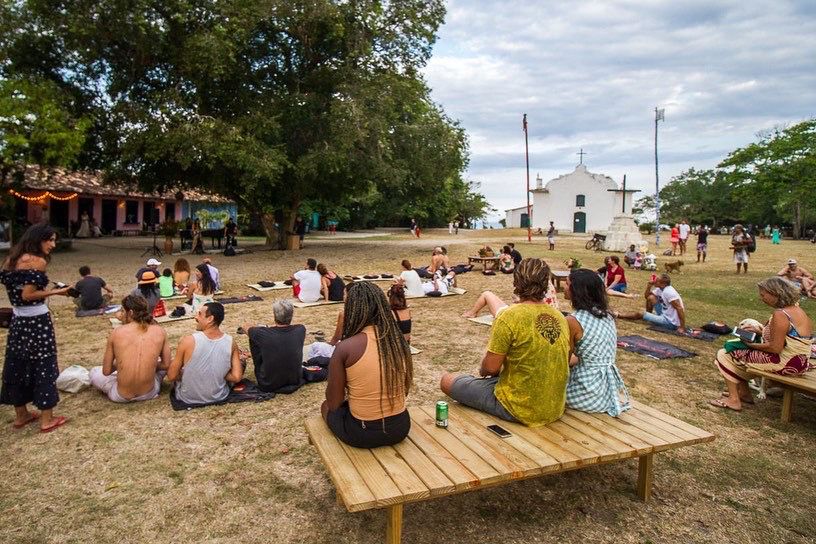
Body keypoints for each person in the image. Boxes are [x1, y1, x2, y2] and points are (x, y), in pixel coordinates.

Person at [441, 258, 571, 426]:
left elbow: (489, 368)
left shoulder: (510, 316)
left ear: (516, 281)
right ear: (546, 284)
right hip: (554, 407)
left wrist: (483, 370)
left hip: (518, 407)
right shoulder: (560, 317)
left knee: (447, 380)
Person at [321, 281, 413, 448]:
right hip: (401, 427)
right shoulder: (397, 341)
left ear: (352, 310)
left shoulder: (345, 347)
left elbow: (334, 403)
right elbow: (404, 390)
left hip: (363, 433)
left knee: (325, 407)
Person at [1, 223, 70, 432]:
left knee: (17, 362)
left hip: (18, 320)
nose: (53, 245)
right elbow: (28, 295)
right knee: (43, 362)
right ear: (38, 239)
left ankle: (21, 415)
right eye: (50, 240)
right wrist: (58, 292)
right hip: (37, 321)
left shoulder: (10, 260)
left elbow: (19, 294)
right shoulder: (37, 262)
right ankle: (46, 419)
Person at [711, 277, 813, 411]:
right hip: (799, 362)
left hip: (784, 363)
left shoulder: (781, 314)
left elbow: (775, 348)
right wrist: (759, 333)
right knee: (738, 353)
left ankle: (734, 400)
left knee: (725, 353)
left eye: (763, 295)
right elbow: (786, 338)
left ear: (775, 293)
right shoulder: (796, 309)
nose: (761, 298)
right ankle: (744, 393)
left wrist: (749, 344)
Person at [564, 269, 630, 416]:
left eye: (567, 284)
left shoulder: (573, 321)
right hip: (607, 392)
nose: (564, 286)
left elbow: (563, 361)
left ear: (577, 291)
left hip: (585, 393)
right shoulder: (607, 316)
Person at [89, 295, 171, 403]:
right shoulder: (160, 331)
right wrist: (149, 364)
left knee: (94, 371)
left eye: (123, 311)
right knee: (162, 364)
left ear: (130, 313)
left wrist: (121, 365)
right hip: (149, 392)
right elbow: (166, 365)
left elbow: (106, 371)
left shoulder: (116, 332)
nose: (121, 315)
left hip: (120, 395)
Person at [168, 302, 243, 405]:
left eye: (199, 314)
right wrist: (218, 371)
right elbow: (236, 377)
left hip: (187, 398)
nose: (196, 317)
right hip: (219, 396)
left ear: (210, 319)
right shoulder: (231, 342)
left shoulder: (187, 341)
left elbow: (171, 376)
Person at [245, 300, 307, 393]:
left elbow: (246, 327)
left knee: (254, 339)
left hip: (268, 383)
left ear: (274, 315)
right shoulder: (300, 329)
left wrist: (260, 327)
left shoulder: (261, 333)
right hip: (294, 379)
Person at [616, 273, 686, 332]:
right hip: (665, 314)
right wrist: (649, 286)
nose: (654, 281)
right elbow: (647, 297)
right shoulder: (660, 289)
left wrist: (682, 327)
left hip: (670, 322)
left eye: (657, 280)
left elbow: (679, 308)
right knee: (651, 298)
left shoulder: (669, 292)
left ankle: (619, 315)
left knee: (640, 313)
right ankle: (648, 316)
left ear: (662, 284)